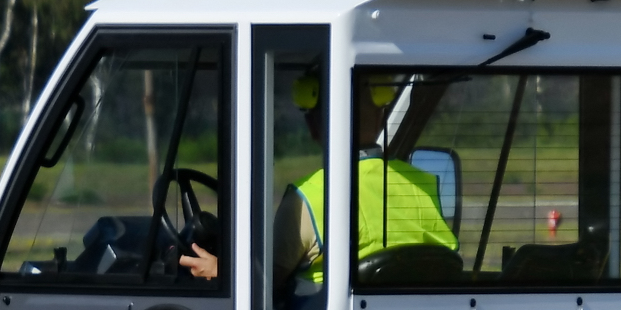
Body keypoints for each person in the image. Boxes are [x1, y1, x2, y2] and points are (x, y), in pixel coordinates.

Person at [181, 74, 457, 284]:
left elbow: (264, 284)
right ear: (380, 119)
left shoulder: (308, 197)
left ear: (314, 126)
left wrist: (220, 270)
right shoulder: (424, 184)